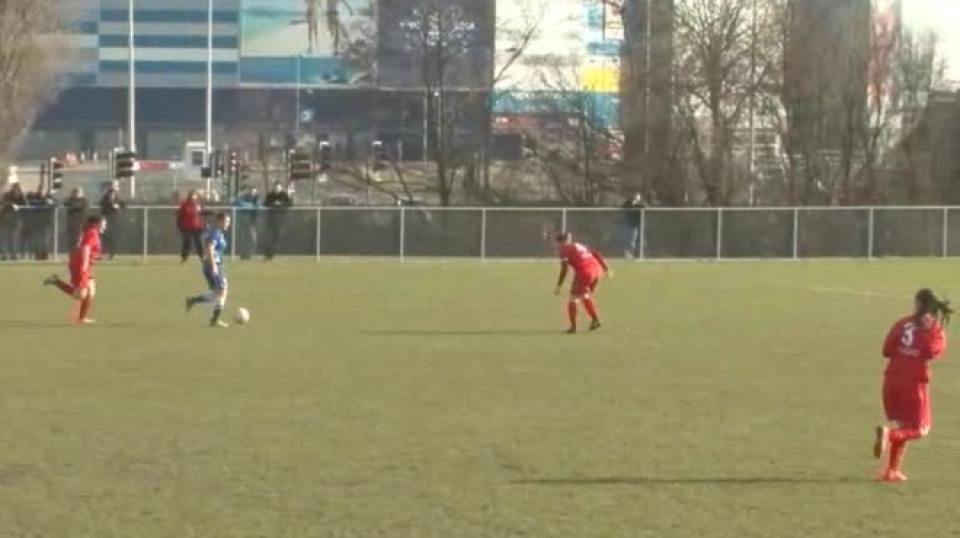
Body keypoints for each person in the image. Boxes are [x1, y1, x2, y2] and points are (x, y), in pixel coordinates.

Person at [873, 289, 952, 482]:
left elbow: (886, 349)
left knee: (904, 426)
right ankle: (889, 434)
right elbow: (932, 352)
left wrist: (904, 351)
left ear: (917, 304)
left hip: (891, 380)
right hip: (913, 384)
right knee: (920, 428)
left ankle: (891, 471)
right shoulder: (933, 329)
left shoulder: (902, 323)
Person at [43, 215, 105, 324]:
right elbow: (85, 248)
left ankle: (82, 318)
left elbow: (86, 247)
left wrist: (94, 256)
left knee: (91, 290)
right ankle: (56, 281)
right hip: (80, 265)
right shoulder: (92, 233)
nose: (104, 226)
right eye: (103, 224)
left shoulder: (91, 232)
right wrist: (85, 263)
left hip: (84, 264)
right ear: (96, 224)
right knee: (79, 295)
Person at [553, 232, 610, 334]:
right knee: (584, 295)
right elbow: (595, 254)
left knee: (573, 298)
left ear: (560, 242)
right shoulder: (579, 245)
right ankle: (595, 320)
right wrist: (606, 269)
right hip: (596, 271)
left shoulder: (564, 249)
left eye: (557, 243)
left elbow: (564, 269)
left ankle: (573, 327)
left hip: (585, 272)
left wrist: (559, 285)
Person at [186, 212, 232, 328]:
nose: (228, 224)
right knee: (223, 291)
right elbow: (209, 248)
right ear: (220, 221)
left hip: (213, 265)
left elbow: (215, 251)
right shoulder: (215, 233)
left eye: (228, 222)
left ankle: (193, 300)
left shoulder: (218, 233)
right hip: (212, 266)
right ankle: (214, 320)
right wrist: (214, 266)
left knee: (216, 293)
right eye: (226, 221)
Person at [263, 181, 292, 261]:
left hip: (280, 219)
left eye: (278, 188)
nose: (276, 189)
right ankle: (268, 254)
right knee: (269, 237)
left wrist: (281, 204)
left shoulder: (284, 195)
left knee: (277, 237)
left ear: (281, 188)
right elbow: (265, 203)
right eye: (275, 187)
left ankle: (271, 253)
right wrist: (273, 204)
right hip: (271, 219)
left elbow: (290, 203)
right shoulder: (270, 195)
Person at [177, 190, 205, 263]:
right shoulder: (185, 204)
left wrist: (202, 224)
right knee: (187, 242)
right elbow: (181, 215)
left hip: (197, 227)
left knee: (199, 242)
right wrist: (180, 226)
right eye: (192, 195)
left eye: (194, 195)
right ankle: (184, 257)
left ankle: (202, 257)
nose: (193, 197)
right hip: (187, 227)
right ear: (189, 196)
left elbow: (201, 214)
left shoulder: (198, 204)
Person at [0, 183, 26, 261]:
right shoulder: (7, 195)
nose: (16, 190)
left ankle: (13, 254)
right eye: (15, 188)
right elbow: (3, 202)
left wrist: (21, 197)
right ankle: (4, 254)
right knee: (5, 237)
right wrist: (12, 204)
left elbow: (24, 204)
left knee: (14, 238)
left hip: (16, 220)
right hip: (5, 219)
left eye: (17, 189)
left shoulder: (21, 196)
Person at [99, 180, 124, 259]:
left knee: (112, 235)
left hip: (114, 217)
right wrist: (110, 204)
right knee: (102, 234)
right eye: (112, 185)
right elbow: (101, 203)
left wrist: (117, 206)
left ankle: (111, 253)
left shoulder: (118, 195)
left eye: (115, 185)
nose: (113, 187)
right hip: (106, 216)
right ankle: (101, 252)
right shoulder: (106, 194)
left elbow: (123, 205)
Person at [234, 185, 260, 260]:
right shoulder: (245, 197)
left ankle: (250, 254)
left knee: (253, 238)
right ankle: (244, 254)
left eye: (254, 191)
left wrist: (246, 205)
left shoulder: (257, 198)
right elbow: (236, 203)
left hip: (252, 222)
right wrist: (247, 204)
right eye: (251, 191)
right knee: (243, 238)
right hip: (243, 221)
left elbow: (257, 205)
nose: (252, 193)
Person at [622, 193, 645, 258]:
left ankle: (633, 254)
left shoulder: (640, 204)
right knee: (628, 240)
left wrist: (637, 203)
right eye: (634, 197)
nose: (635, 198)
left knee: (634, 240)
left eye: (637, 198)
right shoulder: (628, 203)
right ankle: (628, 254)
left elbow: (645, 207)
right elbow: (624, 206)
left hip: (636, 225)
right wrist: (633, 203)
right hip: (628, 224)